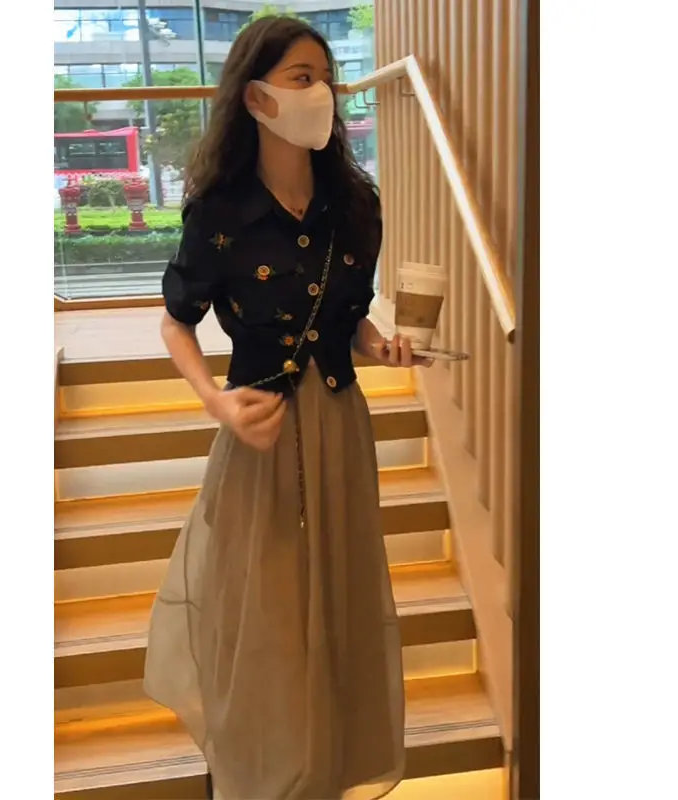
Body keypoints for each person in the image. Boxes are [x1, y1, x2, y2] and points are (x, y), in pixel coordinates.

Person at [143, 14, 433, 800]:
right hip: (259, 435)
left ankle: (325, 772)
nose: (321, 94)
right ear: (256, 97)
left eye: (326, 78)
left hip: (339, 428)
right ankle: (258, 777)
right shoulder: (220, 215)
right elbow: (176, 321)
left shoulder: (356, 204)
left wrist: (379, 346)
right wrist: (216, 401)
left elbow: (348, 320)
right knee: (262, 617)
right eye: (302, 78)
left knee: (338, 606)